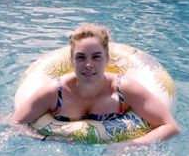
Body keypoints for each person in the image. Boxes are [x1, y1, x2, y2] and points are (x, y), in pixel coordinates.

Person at [13, 23, 179, 146]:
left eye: (96, 57)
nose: (88, 64)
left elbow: (170, 126)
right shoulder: (55, 93)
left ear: (107, 59)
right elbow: (15, 123)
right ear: (72, 61)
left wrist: (130, 145)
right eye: (81, 57)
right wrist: (47, 139)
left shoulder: (124, 91)